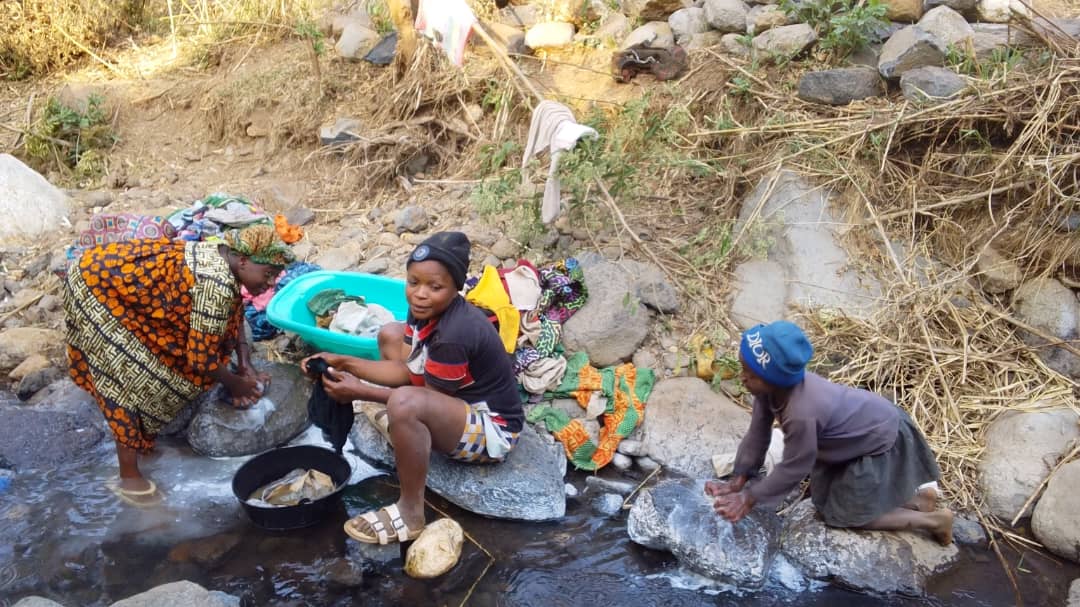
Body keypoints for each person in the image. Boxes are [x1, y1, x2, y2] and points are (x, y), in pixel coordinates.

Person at [301, 231, 523, 545]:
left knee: (405, 405)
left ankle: (410, 512)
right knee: (389, 335)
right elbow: (406, 368)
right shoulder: (423, 310)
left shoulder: (454, 335)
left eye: (435, 287)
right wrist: (343, 361)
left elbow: (423, 399)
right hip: (450, 399)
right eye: (413, 282)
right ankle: (404, 421)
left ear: (455, 288)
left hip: (493, 430)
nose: (420, 294)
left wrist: (360, 391)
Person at [64, 224, 295, 506]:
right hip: (94, 286)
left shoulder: (225, 256)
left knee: (159, 361)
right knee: (123, 373)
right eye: (267, 274)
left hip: (122, 281)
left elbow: (233, 308)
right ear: (244, 261)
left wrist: (245, 363)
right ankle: (128, 475)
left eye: (274, 277)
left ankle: (144, 441)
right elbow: (200, 359)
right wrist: (237, 385)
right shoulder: (216, 283)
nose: (270, 284)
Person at [710, 321, 954, 545]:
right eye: (743, 368)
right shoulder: (771, 390)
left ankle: (935, 521)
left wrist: (750, 498)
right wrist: (740, 477)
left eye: (750, 374)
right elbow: (757, 433)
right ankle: (919, 501)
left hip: (879, 442)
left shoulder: (801, 413)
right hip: (857, 436)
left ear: (772, 379)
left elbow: (796, 466)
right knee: (825, 495)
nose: (742, 378)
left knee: (842, 514)